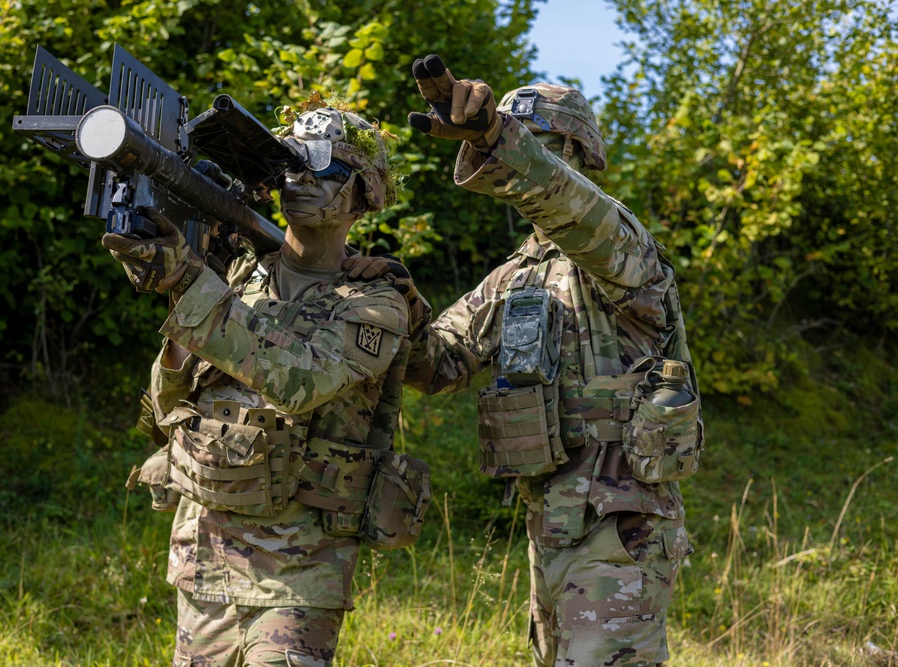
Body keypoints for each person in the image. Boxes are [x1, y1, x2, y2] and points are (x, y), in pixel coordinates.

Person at [369, 54, 704, 666]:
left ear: (577, 154)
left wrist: (498, 138)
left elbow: (573, 209)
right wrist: (387, 299)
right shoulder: (516, 276)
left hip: (621, 526)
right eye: (524, 142)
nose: (529, 156)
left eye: (543, 144)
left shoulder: (621, 247)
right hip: (549, 523)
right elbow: (438, 363)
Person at [105, 104, 430, 667]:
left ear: (363, 195)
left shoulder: (376, 303)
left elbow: (301, 383)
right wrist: (187, 286)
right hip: (207, 547)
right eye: (291, 167)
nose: (300, 182)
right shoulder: (236, 276)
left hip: (301, 565)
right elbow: (167, 405)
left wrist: (189, 282)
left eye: (324, 171)